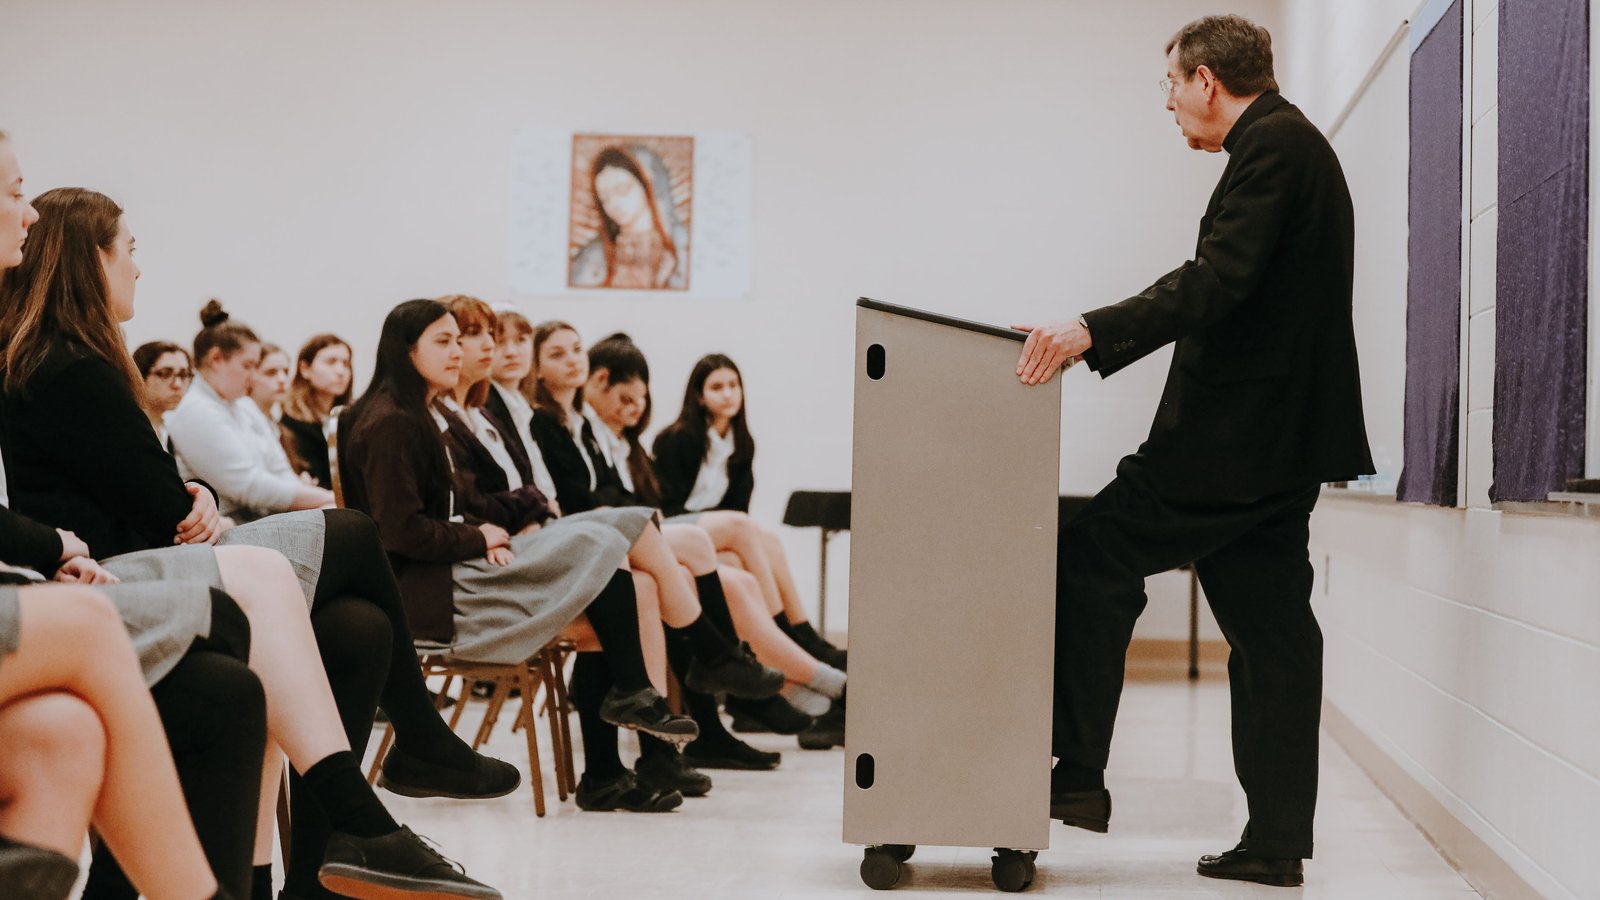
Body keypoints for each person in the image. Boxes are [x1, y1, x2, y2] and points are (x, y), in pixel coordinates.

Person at [0, 186, 507, 900]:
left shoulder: (69, 359)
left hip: (139, 556)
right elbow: (160, 500)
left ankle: (321, 873)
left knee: (355, 629)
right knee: (351, 532)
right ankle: (411, 754)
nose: (139, 269)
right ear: (92, 261)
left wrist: (193, 499)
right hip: (124, 567)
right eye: (131, 251)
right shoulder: (71, 366)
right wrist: (190, 500)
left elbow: (168, 492)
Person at [1011, 15, 1373, 888]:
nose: (1169, 105)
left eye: (1171, 85)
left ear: (1207, 81)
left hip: (1233, 447)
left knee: (1092, 555)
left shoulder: (1276, 148)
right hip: (1276, 449)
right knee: (1274, 636)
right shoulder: (1288, 146)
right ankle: (1276, 841)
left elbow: (1216, 279)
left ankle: (1078, 776)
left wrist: (1088, 330)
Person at [654, 353, 849, 672]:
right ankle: (784, 635)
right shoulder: (677, 439)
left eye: (734, 385)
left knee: (765, 542)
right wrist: (720, 526)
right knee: (742, 528)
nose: (728, 394)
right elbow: (666, 503)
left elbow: (739, 505)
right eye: (717, 387)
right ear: (699, 397)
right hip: (677, 527)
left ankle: (804, 634)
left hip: (717, 531)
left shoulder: (742, 443)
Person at [167, 302, 335, 520]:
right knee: (341, 518)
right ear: (216, 359)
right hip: (232, 524)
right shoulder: (194, 412)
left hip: (263, 516)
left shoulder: (243, 405)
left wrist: (324, 498)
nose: (253, 376)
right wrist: (326, 498)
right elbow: (249, 487)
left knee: (342, 515)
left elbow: (280, 470)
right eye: (247, 366)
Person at [569, 145, 688, 290]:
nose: (613, 204)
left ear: (647, 184)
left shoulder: (683, 246)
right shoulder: (593, 257)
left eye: (622, 190)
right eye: (605, 198)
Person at [280, 334, 352, 489]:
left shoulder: (351, 418)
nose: (341, 371)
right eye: (331, 362)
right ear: (305, 369)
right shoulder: (290, 423)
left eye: (346, 363)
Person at [132, 341, 193, 452]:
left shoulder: (166, 428)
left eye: (183, 374)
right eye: (165, 373)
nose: (177, 384)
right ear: (139, 377)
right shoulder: (130, 429)